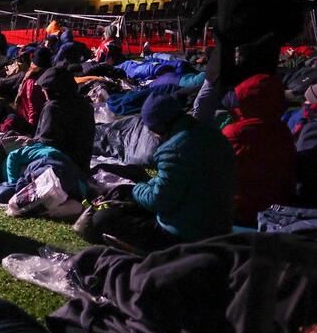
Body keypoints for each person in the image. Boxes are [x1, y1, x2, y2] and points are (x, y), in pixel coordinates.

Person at [89, 94, 235, 249]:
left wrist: (135, 189)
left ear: (159, 126)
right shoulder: (213, 135)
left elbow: (158, 200)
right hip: (219, 224)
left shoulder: (173, 150)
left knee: (103, 218)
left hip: (186, 234)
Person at [184, 0, 302, 123]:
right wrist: (195, 23)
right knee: (202, 105)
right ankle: (198, 143)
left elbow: (293, 24)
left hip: (255, 63)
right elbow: (212, 0)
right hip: (223, 58)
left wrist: (260, 44)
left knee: (252, 112)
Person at [221, 74, 296, 225]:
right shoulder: (282, 128)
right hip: (279, 206)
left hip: (243, 210)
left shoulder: (236, 133)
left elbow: (213, 169)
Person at [34, 66, 95, 171]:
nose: (43, 92)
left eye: (44, 89)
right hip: (82, 166)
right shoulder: (84, 104)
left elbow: (47, 142)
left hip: (60, 167)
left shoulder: (53, 108)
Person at [14, 47, 51, 130]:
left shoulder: (32, 81)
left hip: (33, 122)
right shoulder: (50, 75)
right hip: (43, 120)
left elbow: (32, 107)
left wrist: (31, 127)